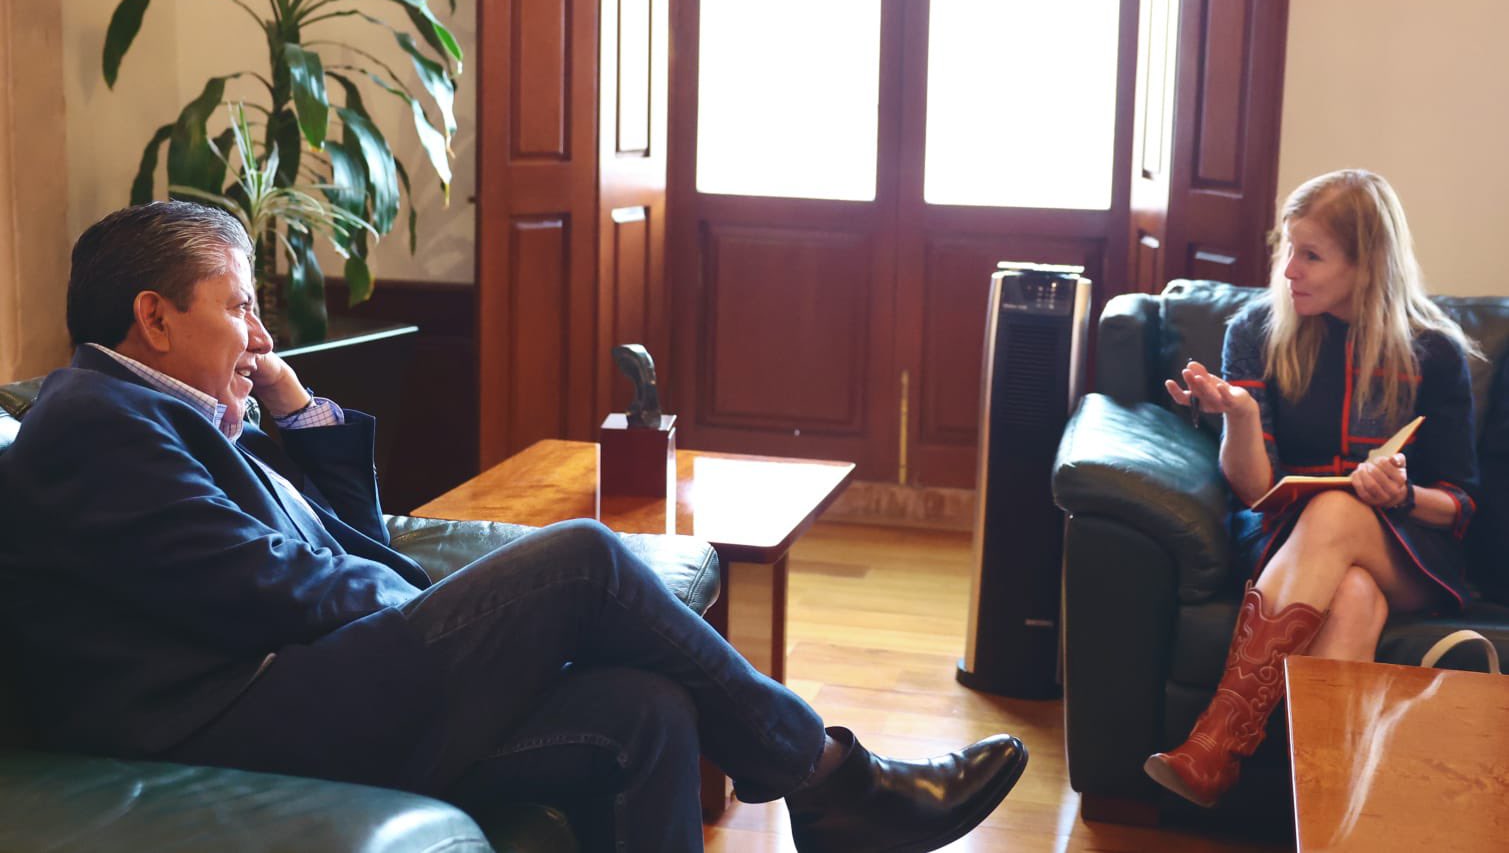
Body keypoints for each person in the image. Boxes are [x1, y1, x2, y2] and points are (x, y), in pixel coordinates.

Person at [0, 201, 1027, 853]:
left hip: (289, 686)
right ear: (155, 318)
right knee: (579, 561)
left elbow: (341, 547)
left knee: (645, 706)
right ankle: (829, 778)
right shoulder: (93, 420)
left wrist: (298, 417)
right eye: (240, 308)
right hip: (226, 720)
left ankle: (828, 787)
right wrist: (440, 607)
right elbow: (262, 585)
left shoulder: (168, 412)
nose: (262, 337)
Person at [1143, 169, 1481, 808]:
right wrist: (1240, 415)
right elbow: (1255, 491)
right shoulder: (1256, 331)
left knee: (1335, 508)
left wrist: (1401, 497)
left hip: (1409, 552)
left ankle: (1218, 742)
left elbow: (1461, 503)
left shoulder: (1434, 352)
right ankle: (1328, 823)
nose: (1288, 270)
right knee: (1351, 597)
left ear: (1366, 264)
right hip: (1287, 544)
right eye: (1287, 248)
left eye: (1311, 255)